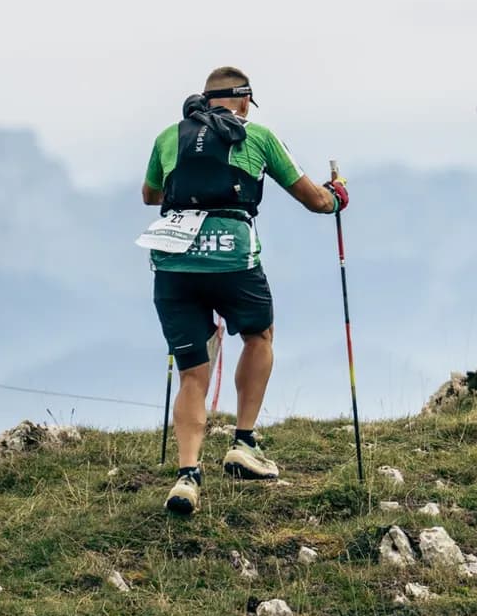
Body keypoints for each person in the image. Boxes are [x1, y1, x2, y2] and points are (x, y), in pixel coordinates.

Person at [140, 67, 347, 518]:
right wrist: (337, 197)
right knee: (259, 335)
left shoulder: (167, 137)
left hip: (173, 260)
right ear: (244, 100)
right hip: (232, 256)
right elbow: (313, 199)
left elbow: (150, 194)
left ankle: (188, 475)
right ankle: (244, 442)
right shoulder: (258, 136)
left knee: (194, 371)